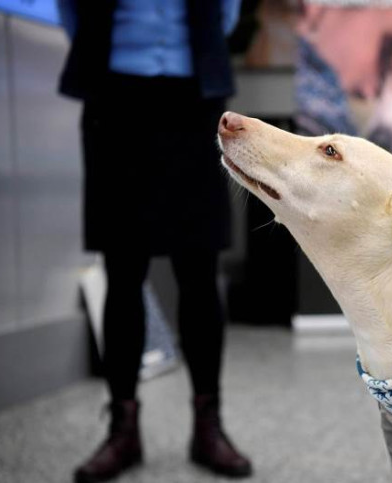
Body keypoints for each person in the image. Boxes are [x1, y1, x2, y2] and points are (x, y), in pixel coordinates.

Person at [57, 0, 251, 481]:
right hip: (114, 95)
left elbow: (224, 12)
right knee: (122, 270)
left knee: (200, 267)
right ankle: (123, 428)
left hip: (194, 95)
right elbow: (73, 9)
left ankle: (209, 426)